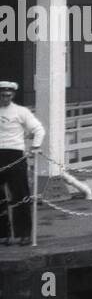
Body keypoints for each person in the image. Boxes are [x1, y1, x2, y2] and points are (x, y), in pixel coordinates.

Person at [0, 81, 44, 245]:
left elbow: (38, 129)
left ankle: (24, 234)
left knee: (20, 195)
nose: (5, 98)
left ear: (13, 95)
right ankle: (3, 234)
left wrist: (35, 146)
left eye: (8, 95)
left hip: (15, 155)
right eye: (3, 95)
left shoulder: (20, 111)